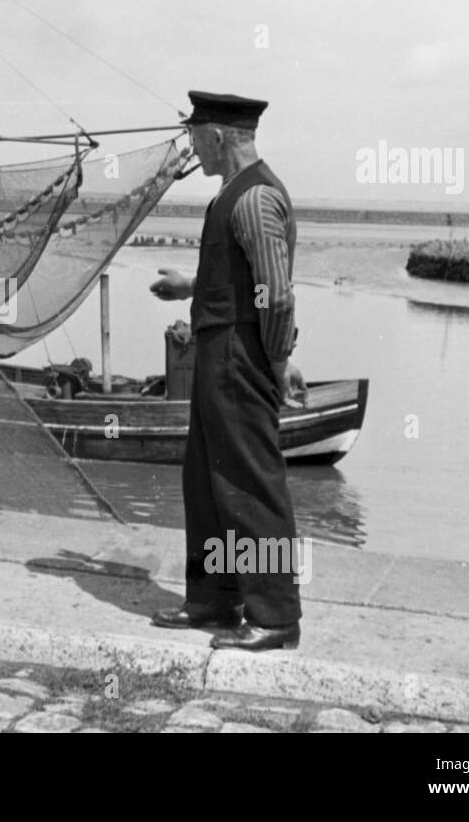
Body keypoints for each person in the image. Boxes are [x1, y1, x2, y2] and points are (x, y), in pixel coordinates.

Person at [149, 91, 306, 652]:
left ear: (217, 136)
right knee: (208, 482)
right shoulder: (230, 196)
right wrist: (191, 289)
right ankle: (214, 599)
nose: (192, 147)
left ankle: (274, 617)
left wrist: (278, 361)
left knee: (249, 484)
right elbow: (245, 278)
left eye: (195, 137)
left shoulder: (255, 197)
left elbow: (276, 296)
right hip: (221, 354)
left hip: (240, 357)